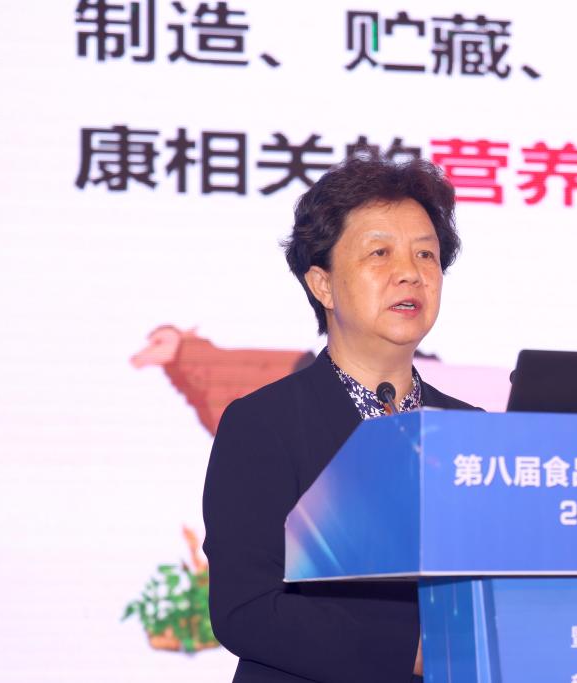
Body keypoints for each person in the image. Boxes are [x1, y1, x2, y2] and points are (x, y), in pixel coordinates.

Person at [202, 157, 480, 683]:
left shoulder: (471, 431)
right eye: (380, 252)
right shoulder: (263, 425)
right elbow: (247, 608)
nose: (411, 272)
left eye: (426, 254)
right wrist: (411, 651)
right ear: (322, 285)